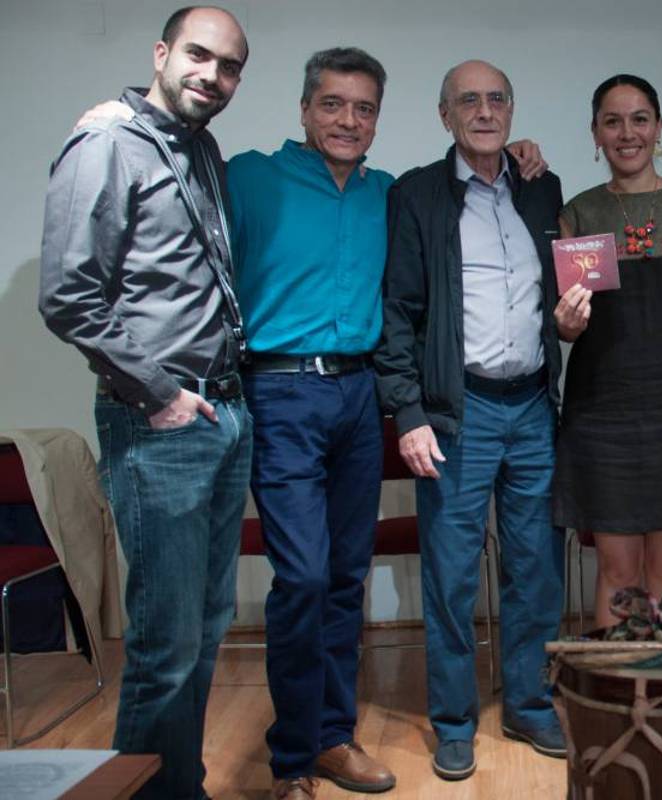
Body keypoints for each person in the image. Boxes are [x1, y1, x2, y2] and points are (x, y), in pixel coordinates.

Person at [38, 7, 252, 798]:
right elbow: (67, 297)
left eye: (229, 66)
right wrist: (161, 395)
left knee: (204, 629)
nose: (213, 76)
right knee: (166, 644)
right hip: (158, 419)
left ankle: (178, 785)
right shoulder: (105, 143)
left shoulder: (200, 148)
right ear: (162, 53)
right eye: (199, 55)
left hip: (224, 414)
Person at [375, 59, 566, 781]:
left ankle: (528, 702)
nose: (484, 111)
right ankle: (454, 720)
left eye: (496, 100)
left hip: (534, 406)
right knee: (453, 575)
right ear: (444, 114)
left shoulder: (542, 188)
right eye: (468, 101)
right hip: (460, 412)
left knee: (535, 567)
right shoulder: (417, 194)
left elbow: (569, 287)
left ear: (512, 111)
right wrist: (408, 411)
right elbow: (397, 311)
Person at [226, 48, 395, 800]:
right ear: (303, 109)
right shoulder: (248, 177)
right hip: (280, 391)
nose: (348, 120)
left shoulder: (387, 193)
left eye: (363, 108)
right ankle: (291, 758)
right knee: (300, 575)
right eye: (332, 104)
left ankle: (332, 737)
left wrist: (523, 157)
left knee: (345, 578)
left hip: (360, 399)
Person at [552, 74, 662, 626]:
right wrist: (567, 326)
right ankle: (616, 701)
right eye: (612, 121)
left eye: (639, 118)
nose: (627, 133)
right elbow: (567, 326)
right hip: (603, 411)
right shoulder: (576, 213)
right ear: (595, 134)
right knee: (617, 571)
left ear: (659, 127)